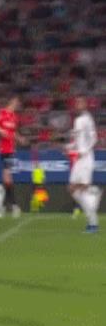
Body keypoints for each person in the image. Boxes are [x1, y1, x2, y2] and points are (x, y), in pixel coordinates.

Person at [67, 96, 102, 233]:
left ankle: (93, 224)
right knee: (72, 189)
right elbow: (76, 141)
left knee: (82, 188)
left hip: (86, 158)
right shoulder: (77, 120)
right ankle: (94, 195)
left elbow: (94, 138)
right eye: (76, 102)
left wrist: (84, 151)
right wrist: (69, 147)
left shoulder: (87, 119)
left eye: (80, 102)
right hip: (79, 159)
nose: (77, 104)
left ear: (85, 104)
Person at [0, 96, 25, 218]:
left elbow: (13, 132)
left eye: (18, 103)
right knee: (7, 179)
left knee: (7, 177)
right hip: (3, 149)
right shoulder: (2, 113)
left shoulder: (14, 117)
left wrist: (19, 138)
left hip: (11, 150)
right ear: (11, 102)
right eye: (15, 102)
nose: (17, 105)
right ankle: (11, 206)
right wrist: (2, 131)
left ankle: (8, 206)